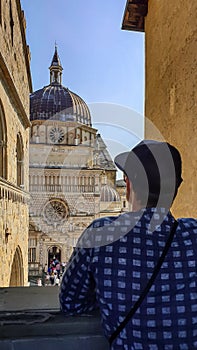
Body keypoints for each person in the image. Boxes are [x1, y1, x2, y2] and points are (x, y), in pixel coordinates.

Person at [59, 140, 197, 349]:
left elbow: (71, 303)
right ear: (177, 187)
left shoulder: (100, 234)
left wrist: (112, 296)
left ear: (129, 184)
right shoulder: (193, 234)